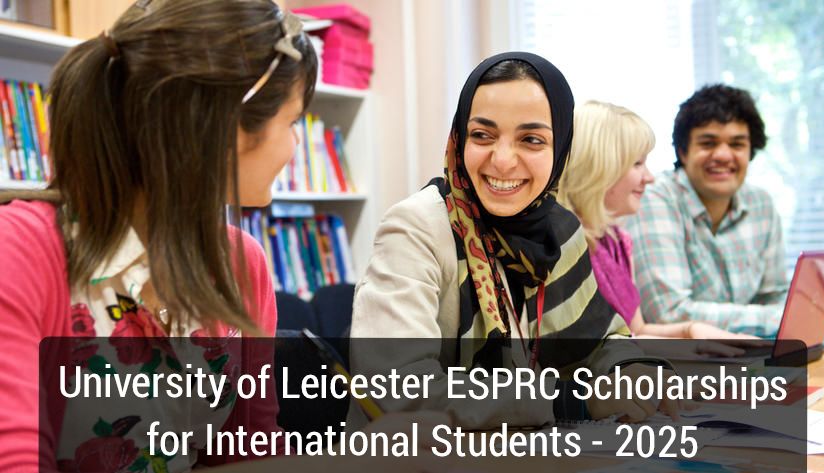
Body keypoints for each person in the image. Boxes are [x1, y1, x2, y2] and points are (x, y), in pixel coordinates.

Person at [0, 1, 445, 471]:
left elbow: (249, 454)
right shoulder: (24, 250)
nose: (296, 146)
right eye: (292, 122)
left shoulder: (242, 265)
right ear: (225, 126)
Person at [350, 52, 680, 430]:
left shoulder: (559, 230)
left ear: (561, 150)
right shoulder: (416, 229)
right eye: (482, 135)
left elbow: (603, 343)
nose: (503, 160)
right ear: (459, 138)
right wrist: (568, 399)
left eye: (532, 139)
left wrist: (634, 370)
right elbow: (396, 389)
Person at [559, 100, 757, 348]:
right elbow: (598, 353)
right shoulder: (565, 248)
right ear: (600, 166)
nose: (649, 178)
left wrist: (692, 330)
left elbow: (637, 331)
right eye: (637, 164)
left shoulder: (618, 241)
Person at [626, 84, 788, 337]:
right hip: (675, 367)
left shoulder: (762, 204)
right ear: (683, 151)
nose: (723, 155)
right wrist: (785, 317)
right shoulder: (655, 198)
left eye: (737, 144)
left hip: (744, 357)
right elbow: (669, 313)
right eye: (708, 143)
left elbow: (775, 296)